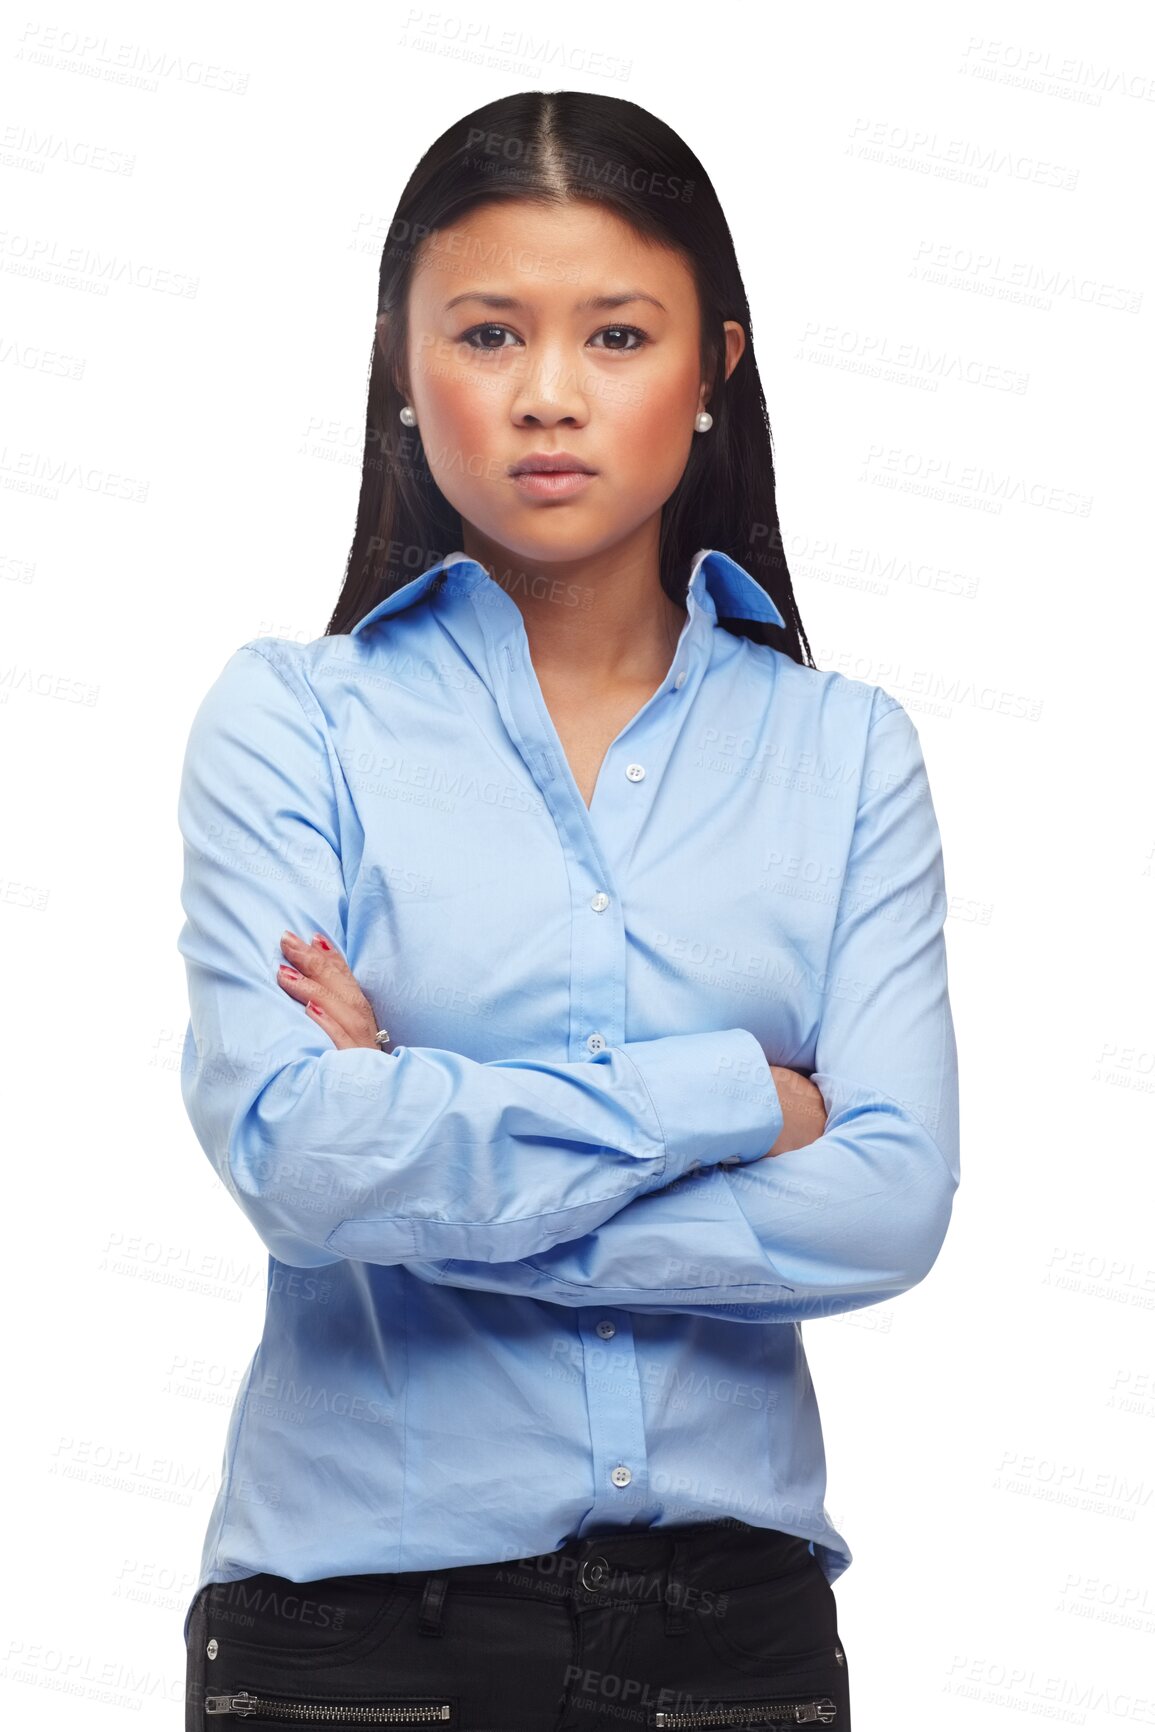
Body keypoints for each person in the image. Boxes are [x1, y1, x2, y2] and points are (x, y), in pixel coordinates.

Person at [176, 88, 960, 1732]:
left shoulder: (843, 752)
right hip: (357, 1657)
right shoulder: (292, 722)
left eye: (616, 334)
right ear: (401, 365)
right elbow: (302, 1165)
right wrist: (735, 1099)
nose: (547, 396)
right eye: (485, 333)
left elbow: (890, 1204)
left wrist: (429, 1167)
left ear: (714, 372)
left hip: (734, 1655)